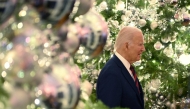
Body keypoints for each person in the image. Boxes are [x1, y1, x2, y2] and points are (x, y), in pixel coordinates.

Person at [96, 26, 145, 109]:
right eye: (140, 44)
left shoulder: (127, 68)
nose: (143, 49)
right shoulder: (111, 73)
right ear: (126, 46)